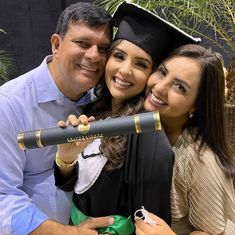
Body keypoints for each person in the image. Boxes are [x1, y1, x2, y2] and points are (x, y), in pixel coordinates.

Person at [54, 2, 200, 234]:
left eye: (141, 64)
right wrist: (66, 158)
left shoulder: (146, 134)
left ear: (151, 75)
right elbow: (74, 186)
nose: (124, 70)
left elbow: (150, 224)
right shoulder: (92, 108)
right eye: (119, 56)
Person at [0, 2, 114, 235]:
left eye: (103, 49)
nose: (94, 56)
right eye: (83, 43)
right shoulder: (10, 104)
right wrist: (70, 233)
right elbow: (3, 198)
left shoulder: (102, 99)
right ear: (56, 44)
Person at [135, 44, 235, 234]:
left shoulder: (199, 159)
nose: (159, 87)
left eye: (180, 87)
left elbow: (214, 231)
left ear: (196, 105)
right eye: (162, 72)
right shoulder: (140, 124)